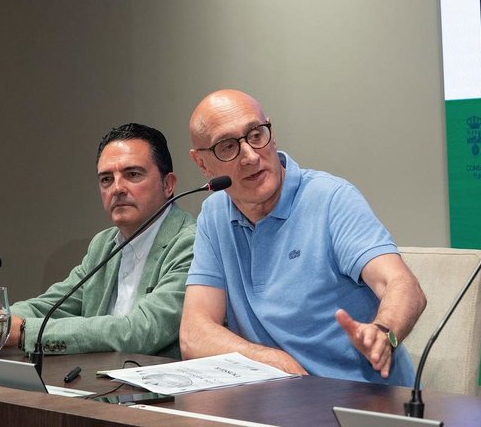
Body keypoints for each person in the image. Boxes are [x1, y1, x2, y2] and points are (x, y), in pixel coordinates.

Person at [180, 89, 426, 386]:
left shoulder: (331, 199)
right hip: (279, 397)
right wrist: (273, 361)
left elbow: (403, 285)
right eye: (228, 146)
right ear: (203, 164)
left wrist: (384, 330)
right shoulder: (214, 214)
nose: (250, 156)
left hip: (362, 399)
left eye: (256, 135)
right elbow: (195, 333)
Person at [0, 123, 196, 357]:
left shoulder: (190, 242)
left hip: (163, 395)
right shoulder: (104, 244)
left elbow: (141, 331)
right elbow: (54, 304)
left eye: (132, 174)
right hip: (100, 384)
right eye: (106, 179)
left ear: (168, 184)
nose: (117, 188)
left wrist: (22, 332)